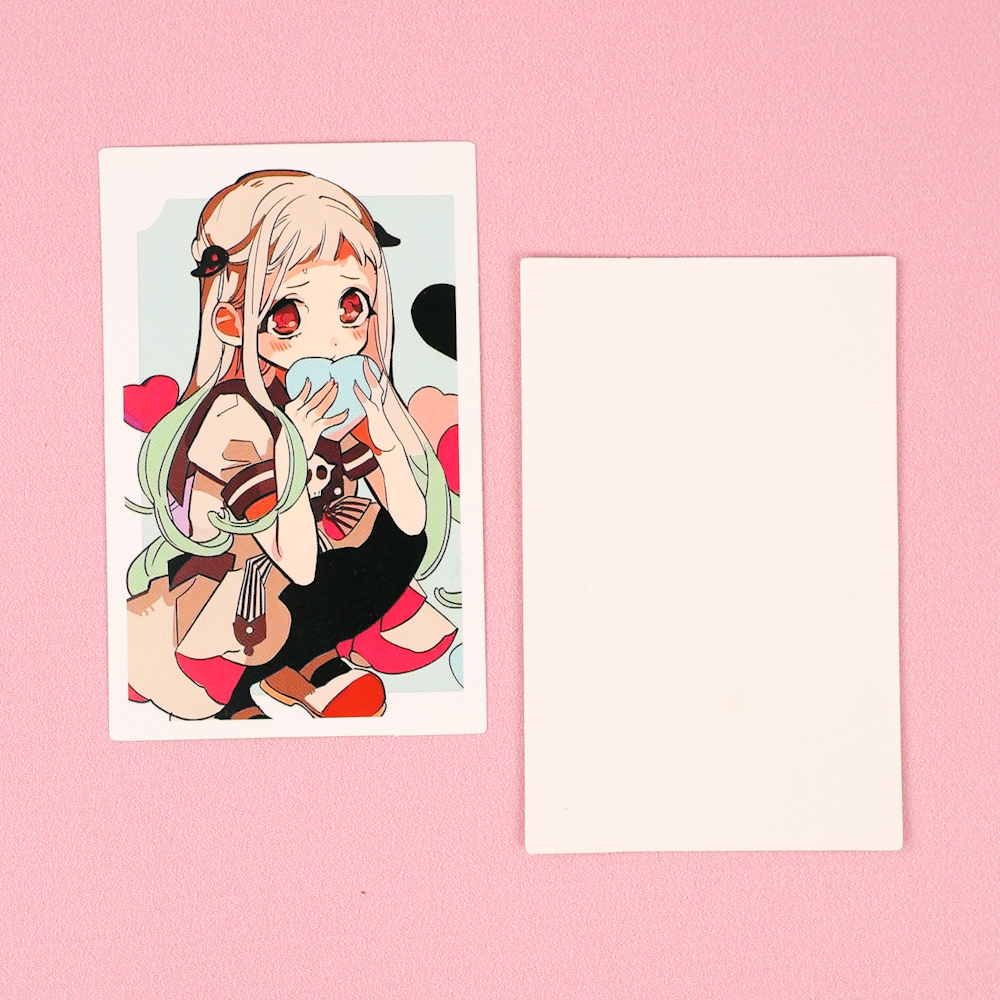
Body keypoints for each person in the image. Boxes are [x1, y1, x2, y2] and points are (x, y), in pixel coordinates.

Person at [126, 170, 452, 720]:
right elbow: (297, 564)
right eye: (288, 315)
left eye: (351, 306)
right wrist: (293, 449)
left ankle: (302, 669)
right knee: (294, 588)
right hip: (241, 591)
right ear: (231, 321)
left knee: (396, 544)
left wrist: (384, 437)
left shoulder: (319, 398)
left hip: (296, 577)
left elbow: (413, 523)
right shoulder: (234, 418)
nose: (333, 338)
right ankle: (268, 683)